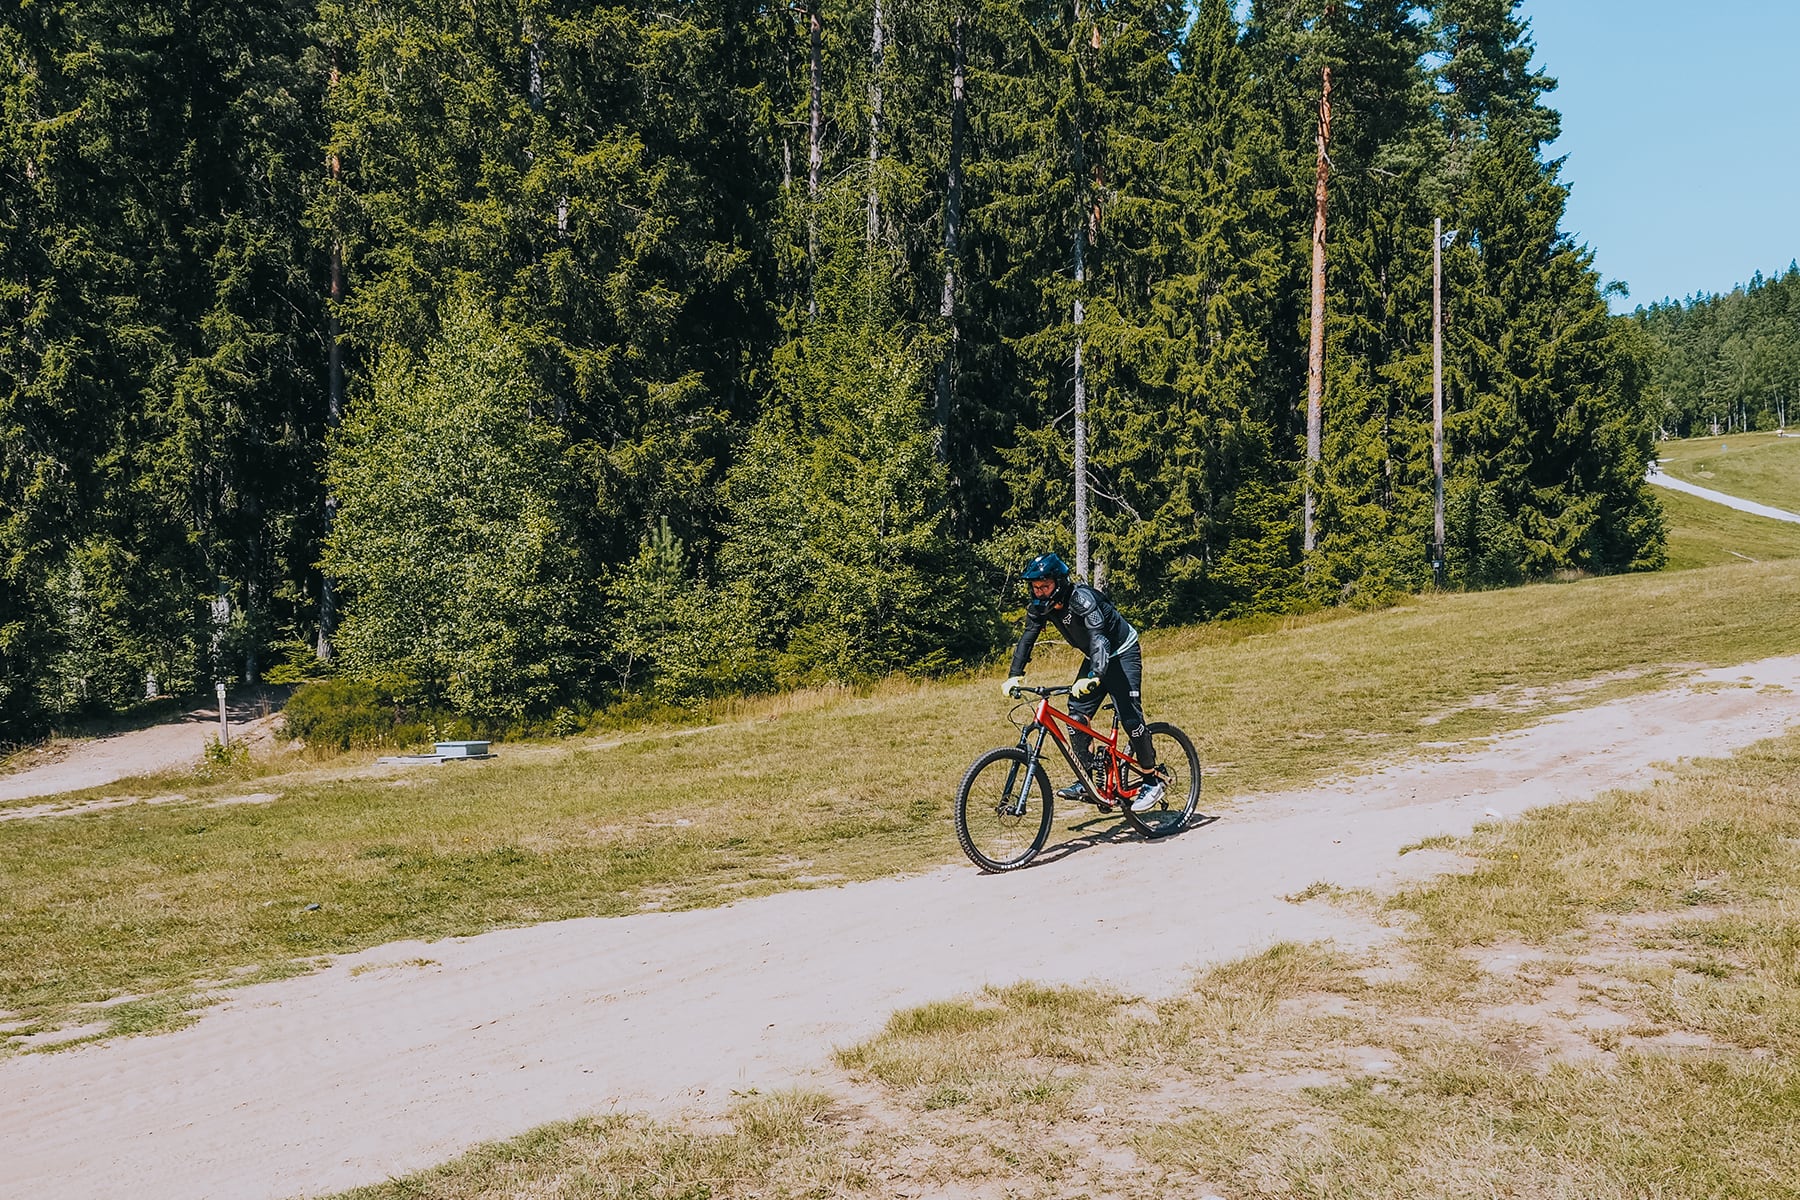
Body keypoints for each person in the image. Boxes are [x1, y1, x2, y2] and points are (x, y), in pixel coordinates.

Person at [1000, 552, 1165, 812]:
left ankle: (1151, 780)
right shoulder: (1040, 607)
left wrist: (1095, 676)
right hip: (1095, 657)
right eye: (1035, 587)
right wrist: (1014, 674)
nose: (1040, 592)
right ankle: (1089, 780)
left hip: (1122, 653)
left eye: (1045, 586)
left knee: (1130, 718)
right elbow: (1028, 637)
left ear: (1059, 582)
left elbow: (1099, 637)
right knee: (1076, 714)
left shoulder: (1082, 599)